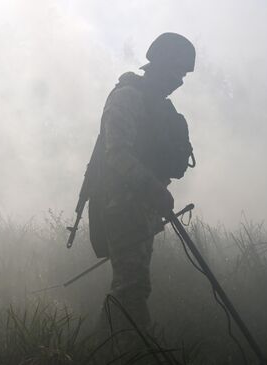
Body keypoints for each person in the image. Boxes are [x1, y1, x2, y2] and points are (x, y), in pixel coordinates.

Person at [88, 32, 196, 332]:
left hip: (143, 208)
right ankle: (119, 349)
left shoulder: (158, 106)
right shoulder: (127, 97)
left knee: (132, 285)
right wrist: (152, 187)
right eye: (177, 71)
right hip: (121, 207)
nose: (180, 80)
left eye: (184, 75)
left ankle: (114, 346)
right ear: (160, 64)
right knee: (131, 287)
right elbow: (117, 153)